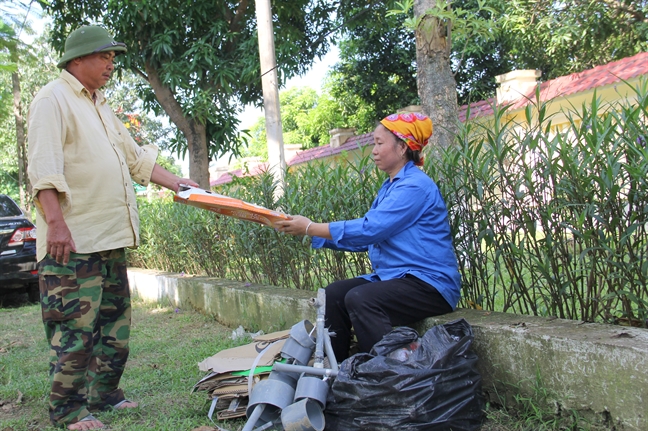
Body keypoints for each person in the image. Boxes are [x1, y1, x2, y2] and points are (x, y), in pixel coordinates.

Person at [27, 25, 199, 430]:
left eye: (113, 58)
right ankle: (68, 411)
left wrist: (177, 182)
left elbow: (136, 159)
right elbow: (44, 170)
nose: (111, 64)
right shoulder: (52, 100)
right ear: (79, 59)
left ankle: (104, 394)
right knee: (74, 332)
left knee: (114, 328)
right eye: (104, 57)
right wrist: (56, 225)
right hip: (72, 243)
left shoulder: (99, 104)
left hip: (108, 239)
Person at [275, 112, 461, 362]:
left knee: (361, 298)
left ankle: (390, 376)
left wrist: (311, 227)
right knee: (334, 294)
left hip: (429, 284)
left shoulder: (415, 186)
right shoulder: (390, 187)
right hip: (399, 278)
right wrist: (306, 231)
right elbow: (369, 238)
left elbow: (370, 228)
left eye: (379, 143)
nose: (373, 150)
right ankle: (338, 371)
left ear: (403, 147)